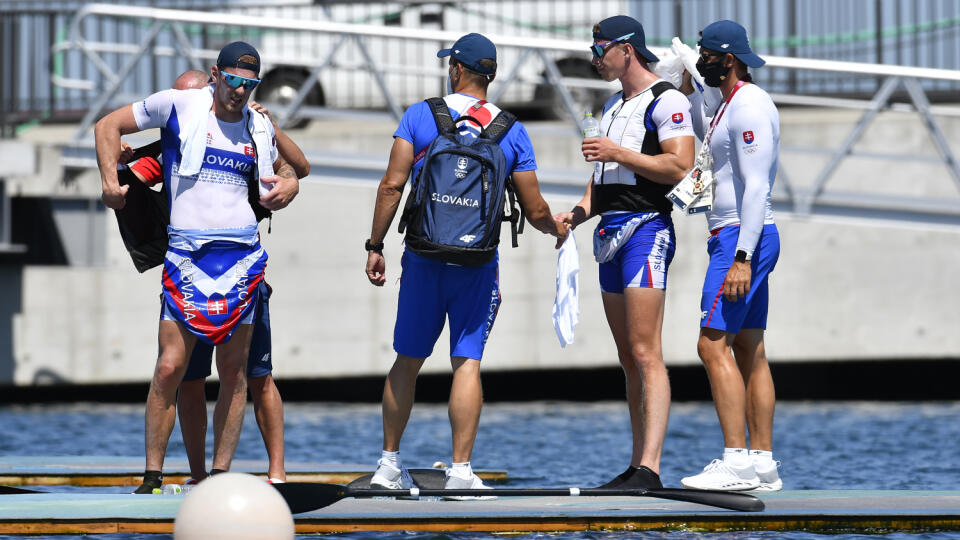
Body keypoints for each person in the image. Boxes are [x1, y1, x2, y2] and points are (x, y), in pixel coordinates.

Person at [363, 33, 568, 494]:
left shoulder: (422, 114)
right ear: (489, 75)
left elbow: (391, 186)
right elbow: (534, 208)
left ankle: (389, 465)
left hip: (423, 256)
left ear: (456, 69)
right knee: (467, 362)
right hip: (477, 263)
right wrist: (558, 229)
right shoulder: (512, 130)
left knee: (407, 360)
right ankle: (460, 471)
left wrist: (374, 245)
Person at [95, 41, 299, 493]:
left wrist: (289, 185)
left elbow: (296, 167)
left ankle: (226, 477)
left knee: (241, 372)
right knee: (172, 369)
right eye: (232, 81)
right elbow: (107, 127)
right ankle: (157, 476)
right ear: (214, 76)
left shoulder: (258, 125)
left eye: (249, 84)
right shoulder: (177, 112)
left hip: (241, 258)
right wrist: (112, 178)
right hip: (186, 256)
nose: (239, 91)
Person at [554, 15, 695, 490]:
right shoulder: (613, 104)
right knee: (625, 356)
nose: (595, 59)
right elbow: (601, 183)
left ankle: (651, 468)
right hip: (608, 233)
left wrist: (619, 153)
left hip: (646, 230)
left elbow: (680, 165)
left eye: (601, 50)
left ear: (627, 49)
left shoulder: (667, 99)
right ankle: (637, 465)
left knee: (645, 350)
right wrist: (574, 214)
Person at [675, 20, 782, 491]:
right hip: (737, 233)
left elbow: (757, 185)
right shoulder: (730, 102)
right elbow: (704, 116)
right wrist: (686, 77)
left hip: (742, 236)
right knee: (749, 348)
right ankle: (763, 464)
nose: (702, 62)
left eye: (706, 56)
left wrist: (742, 255)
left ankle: (735, 462)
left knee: (711, 343)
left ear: (729, 59)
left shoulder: (751, 105)